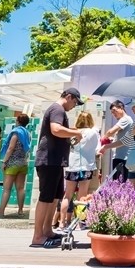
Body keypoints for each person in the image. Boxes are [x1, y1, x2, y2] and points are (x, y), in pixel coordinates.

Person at [31, 88, 83, 248]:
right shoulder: (57, 109)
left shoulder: (58, 110)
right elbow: (56, 129)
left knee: (54, 197)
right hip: (49, 160)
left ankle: (47, 230)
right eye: (74, 102)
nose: (74, 106)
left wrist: (71, 133)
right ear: (69, 97)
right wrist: (76, 133)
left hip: (55, 161)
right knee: (46, 197)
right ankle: (38, 236)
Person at [59, 112, 100, 230]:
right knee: (82, 196)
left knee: (67, 195)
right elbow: (97, 149)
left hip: (71, 166)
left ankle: (62, 222)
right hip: (86, 166)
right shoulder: (93, 133)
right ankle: (79, 222)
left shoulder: (71, 133)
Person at [0, 116, 31, 218]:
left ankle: (1, 212)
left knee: (7, 189)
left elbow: (10, 148)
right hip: (23, 163)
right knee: (20, 188)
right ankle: (20, 211)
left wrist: (4, 161)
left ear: (18, 121)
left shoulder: (16, 133)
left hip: (12, 163)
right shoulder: (27, 133)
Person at [100, 100, 134, 181]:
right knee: (119, 182)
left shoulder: (125, 119)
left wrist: (103, 139)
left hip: (122, 157)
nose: (113, 114)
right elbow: (122, 138)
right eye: (112, 112)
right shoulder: (125, 120)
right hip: (122, 156)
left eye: (114, 111)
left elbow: (110, 132)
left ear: (121, 108)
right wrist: (112, 139)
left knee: (118, 184)